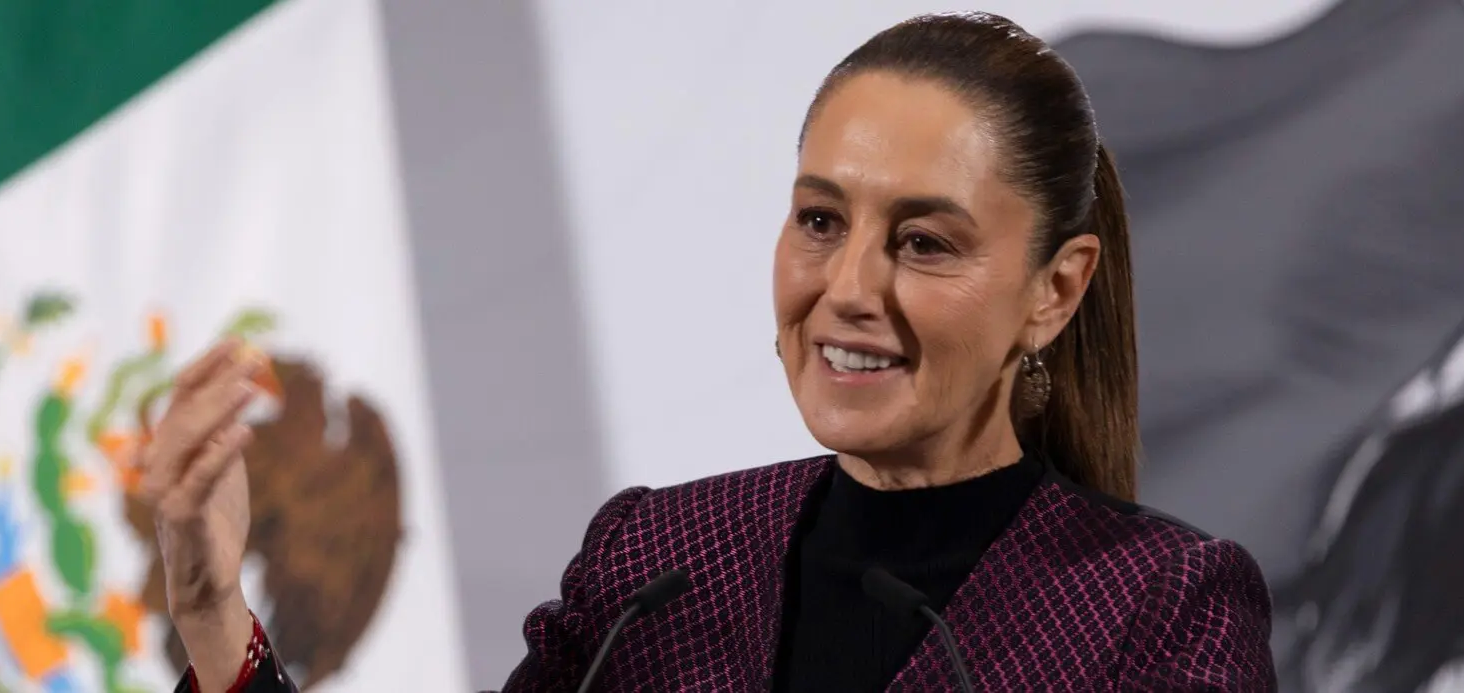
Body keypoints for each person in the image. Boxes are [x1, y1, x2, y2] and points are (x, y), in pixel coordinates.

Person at [139, 12, 1275, 692]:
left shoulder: (1158, 606)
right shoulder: (656, 559)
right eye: (820, 221)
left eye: (921, 242)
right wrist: (207, 605)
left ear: (1053, 291)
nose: (846, 290)